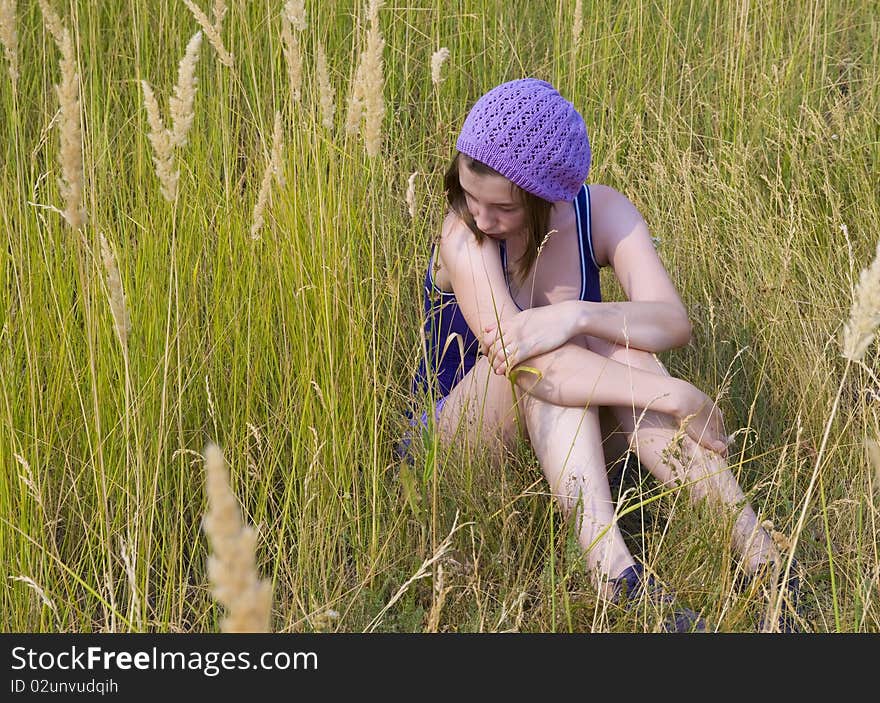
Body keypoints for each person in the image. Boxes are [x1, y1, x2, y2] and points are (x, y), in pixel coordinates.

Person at [401, 78, 800, 632]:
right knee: (541, 355)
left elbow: (671, 321)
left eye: (503, 207)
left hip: (569, 443)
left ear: (550, 198)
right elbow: (529, 363)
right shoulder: (464, 235)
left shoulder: (598, 211)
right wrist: (679, 394)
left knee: (617, 344)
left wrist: (579, 313)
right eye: (468, 194)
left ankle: (767, 565)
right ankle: (613, 575)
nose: (481, 216)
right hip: (458, 444)